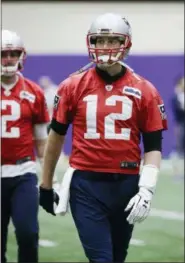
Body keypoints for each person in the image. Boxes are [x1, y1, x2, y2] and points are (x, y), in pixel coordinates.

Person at [39, 13, 168, 262]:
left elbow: (153, 146)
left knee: (117, 257)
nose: (106, 47)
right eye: (100, 40)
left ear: (126, 44)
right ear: (92, 43)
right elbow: (55, 137)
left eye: (113, 40)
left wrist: (147, 189)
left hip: (127, 185)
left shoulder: (145, 89)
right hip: (86, 184)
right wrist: (45, 184)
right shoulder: (72, 86)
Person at [1, 29, 50, 263]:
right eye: (3, 54)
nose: (8, 58)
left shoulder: (34, 92)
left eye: (13, 53)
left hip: (23, 172)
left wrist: (50, 177)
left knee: (28, 233)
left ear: (21, 55)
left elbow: (41, 139)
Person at [170, 76, 184, 180]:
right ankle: (177, 173)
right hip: (181, 126)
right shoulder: (176, 97)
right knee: (178, 150)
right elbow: (177, 111)